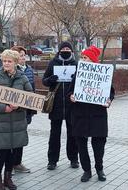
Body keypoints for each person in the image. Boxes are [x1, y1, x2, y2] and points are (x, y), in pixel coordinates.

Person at [0, 49, 33, 190]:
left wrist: (18, 106)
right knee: (1, 151)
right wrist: (2, 108)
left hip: (17, 122)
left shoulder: (22, 78)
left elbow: (30, 97)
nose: (6, 63)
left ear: (15, 63)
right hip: (1, 121)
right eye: (4, 61)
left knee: (12, 151)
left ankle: (8, 178)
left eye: (9, 61)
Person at [69, 45, 114, 182]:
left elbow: (111, 91)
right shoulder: (78, 73)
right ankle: (86, 170)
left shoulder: (103, 73)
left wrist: (108, 100)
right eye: (82, 57)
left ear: (93, 60)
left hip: (97, 115)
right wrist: (71, 96)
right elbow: (70, 91)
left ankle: (99, 169)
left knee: (99, 144)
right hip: (80, 115)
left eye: (85, 57)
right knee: (81, 144)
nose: (83, 60)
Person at [42, 41, 79, 170]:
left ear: (72, 51)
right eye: (63, 49)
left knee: (73, 134)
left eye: (68, 49)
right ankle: (52, 160)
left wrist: (76, 79)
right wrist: (50, 79)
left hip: (71, 105)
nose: (65, 51)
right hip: (56, 105)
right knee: (54, 134)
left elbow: (81, 84)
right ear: (59, 51)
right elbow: (44, 81)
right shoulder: (53, 63)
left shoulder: (76, 64)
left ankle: (74, 158)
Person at [11, 46, 36, 174]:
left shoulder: (29, 70)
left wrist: (32, 110)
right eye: (20, 55)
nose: (23, 57)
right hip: (12, 111)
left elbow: (33, 90)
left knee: (21, 137)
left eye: (24, 55)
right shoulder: (10, 71)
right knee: (11, 138)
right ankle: (10, 164)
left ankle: (17, 162)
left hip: (25, 111)